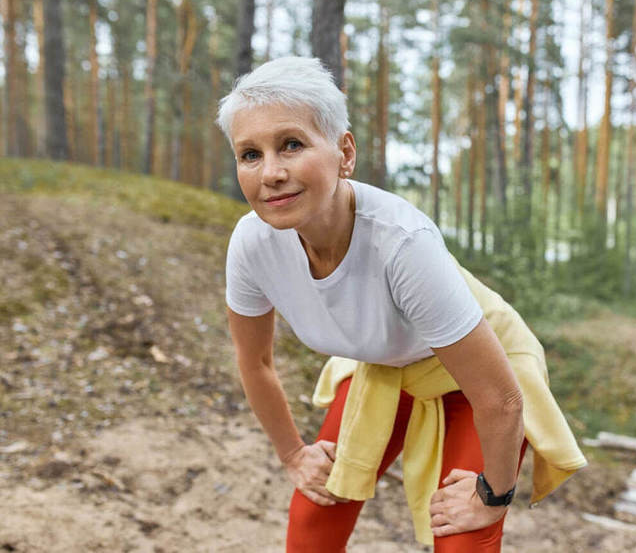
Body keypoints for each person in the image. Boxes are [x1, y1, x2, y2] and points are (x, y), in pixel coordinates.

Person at [219, 56, 586, 553]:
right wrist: (292, 454)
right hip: (388, 368)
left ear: (344, 152)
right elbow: (255, 361)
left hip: (481, 379)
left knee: (463, 536)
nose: (272, 173)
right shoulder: (252, 244)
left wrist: (493, 496)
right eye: (250, 154)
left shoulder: (400, 242)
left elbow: (500, 399)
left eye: (291, 144)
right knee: (314, 516)